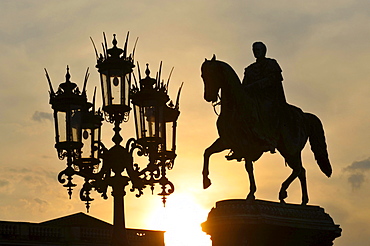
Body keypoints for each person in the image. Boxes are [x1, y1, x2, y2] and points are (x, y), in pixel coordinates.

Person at [242, 42, 287, 153]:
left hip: (268, 98)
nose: (256, 51)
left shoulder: (271, 64)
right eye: (254, 49)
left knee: (265, 109)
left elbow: (274, 79)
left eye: (258, 49)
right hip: (253, 99)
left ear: (264, 50)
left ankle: (270, 139)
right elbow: (243, 86)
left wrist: (256, 85)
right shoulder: (250, 69)